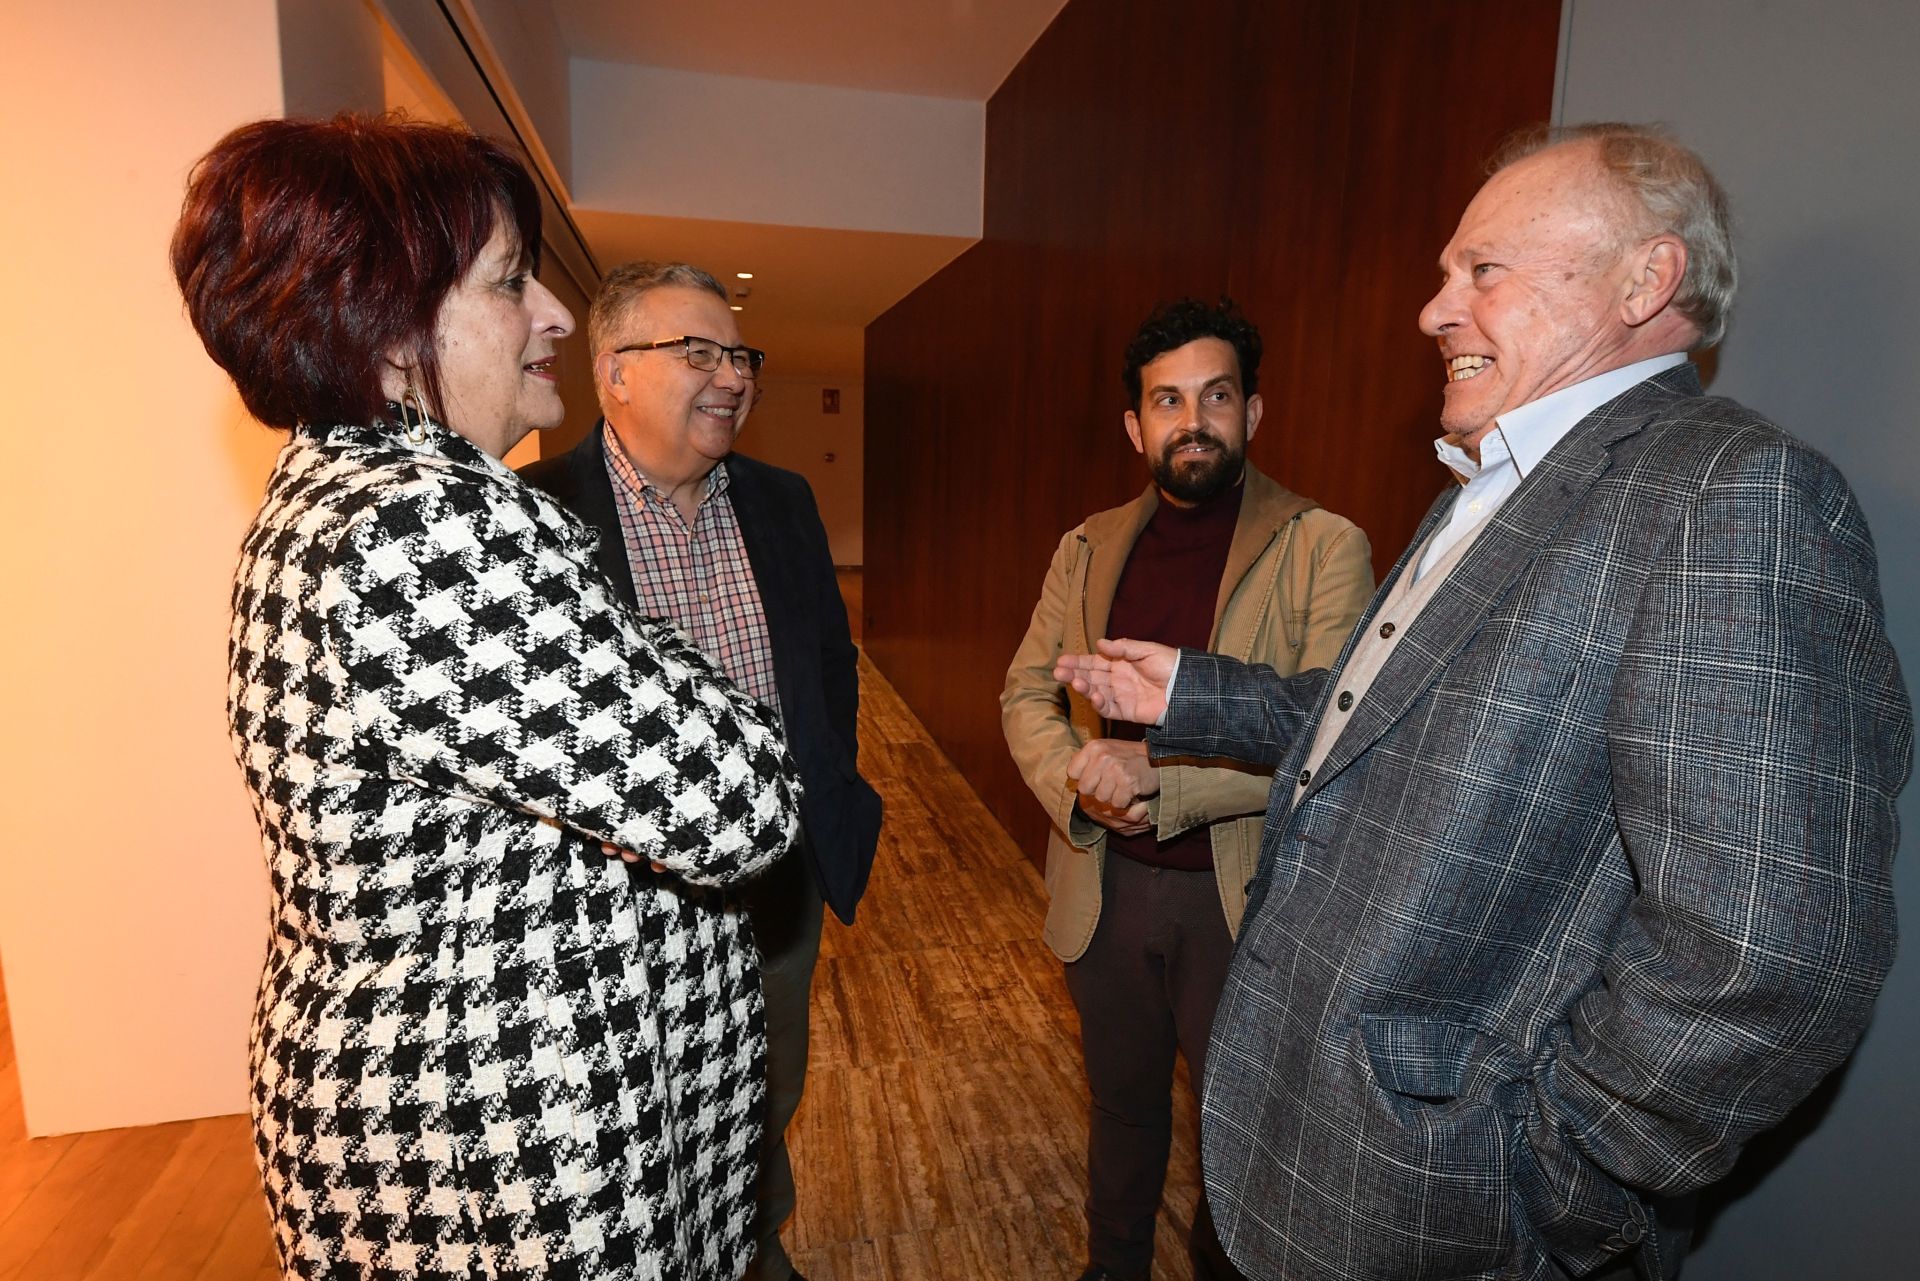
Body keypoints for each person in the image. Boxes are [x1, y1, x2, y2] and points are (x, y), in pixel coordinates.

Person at [1055, 123, 1912, 1281]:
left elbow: (1765, 958)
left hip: (1440, 1214)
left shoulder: (1732, 497)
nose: (1434, 309)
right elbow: (1400, 734)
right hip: (1300, 1164)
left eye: (1483, 270)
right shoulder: (1497, 482)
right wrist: (1196, 690)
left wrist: (1545, 1185)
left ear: (1644, 279)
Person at [173, 115, 801, 1281]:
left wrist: (628, 650)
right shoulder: (433, 522)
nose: (557, 312)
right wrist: (680, 666)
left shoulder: (334, 492)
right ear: (393, 320)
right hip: (511, 1161)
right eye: (513, 282)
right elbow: (744, 800)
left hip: (439, 1114)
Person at [522, 262, 881, 1281]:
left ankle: (756, 1246)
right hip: (623, 901)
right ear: (613, 375)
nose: (729, 375)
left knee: (769, 1086)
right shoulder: (537, 517)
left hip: (776, 885)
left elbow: (827, 665)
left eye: (737, 355)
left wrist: (824, 791)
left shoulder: (782, 501)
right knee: (639, 1110)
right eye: (697, 353)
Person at [1002, 299, 1373, 1281]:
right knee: (1122, 1113)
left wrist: (1160, 783)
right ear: (1136, 426)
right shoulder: (1086, 545)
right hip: (1105, 891)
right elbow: (1025, 690)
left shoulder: (1322, 545)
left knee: (1238, 1138)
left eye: (1217, 395)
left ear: (1254, 412)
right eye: (1167, 400)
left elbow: (1332, 730)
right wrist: (1079, 782)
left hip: (1241, 902)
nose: (1192, 419)